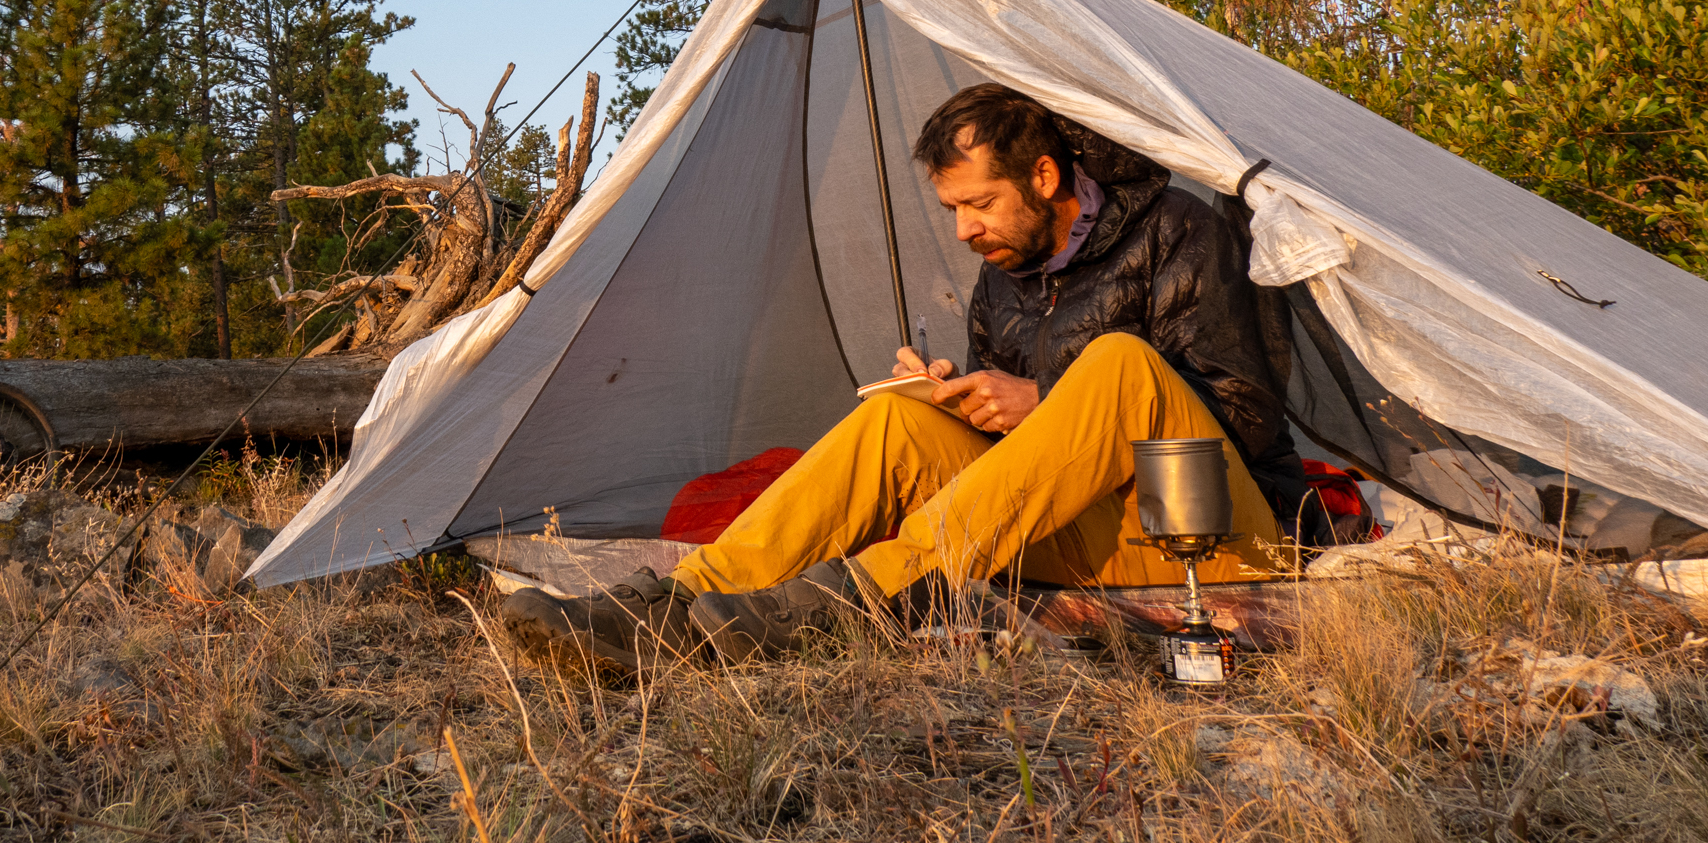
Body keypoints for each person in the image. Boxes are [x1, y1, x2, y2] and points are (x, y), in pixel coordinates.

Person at [500, 83, 1317, 671]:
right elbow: (1027, 458)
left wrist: (1044, 398)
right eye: (952, 209)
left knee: (1120, 362)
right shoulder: (1005, 274)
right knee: (897, 423)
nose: (964, 230)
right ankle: (678, 605)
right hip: (1089, 537)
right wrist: (955, 399)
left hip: (1211, 535)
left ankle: (852, 596)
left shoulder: (1181, 232)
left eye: (979, 203)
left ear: (1044, 175)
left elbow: (1243, 416)